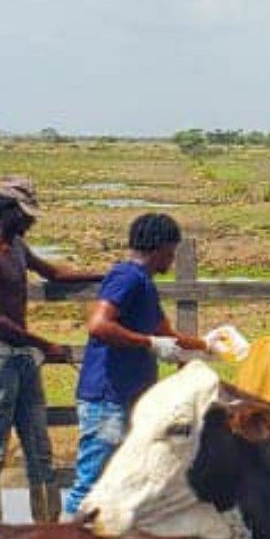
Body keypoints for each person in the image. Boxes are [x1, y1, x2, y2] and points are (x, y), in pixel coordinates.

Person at [64, 210, 208, 514]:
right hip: (108, 400)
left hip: (129, 399)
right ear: (159, 248)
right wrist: (150, 344)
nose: (172, 258)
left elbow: (165, 333)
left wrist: (208, 345)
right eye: (171, 251)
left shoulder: (143, 283)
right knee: (91, 483)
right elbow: (99, 325)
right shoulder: (127, 277)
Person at [0, 178, 90, 522]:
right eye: (25, 214)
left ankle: (46, 526)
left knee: (39, 448)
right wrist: (44, 344)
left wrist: (106, 275)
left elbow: (53, 273)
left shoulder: (18, 247)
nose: (30, 221)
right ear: (6, 211)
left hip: (22, 359)